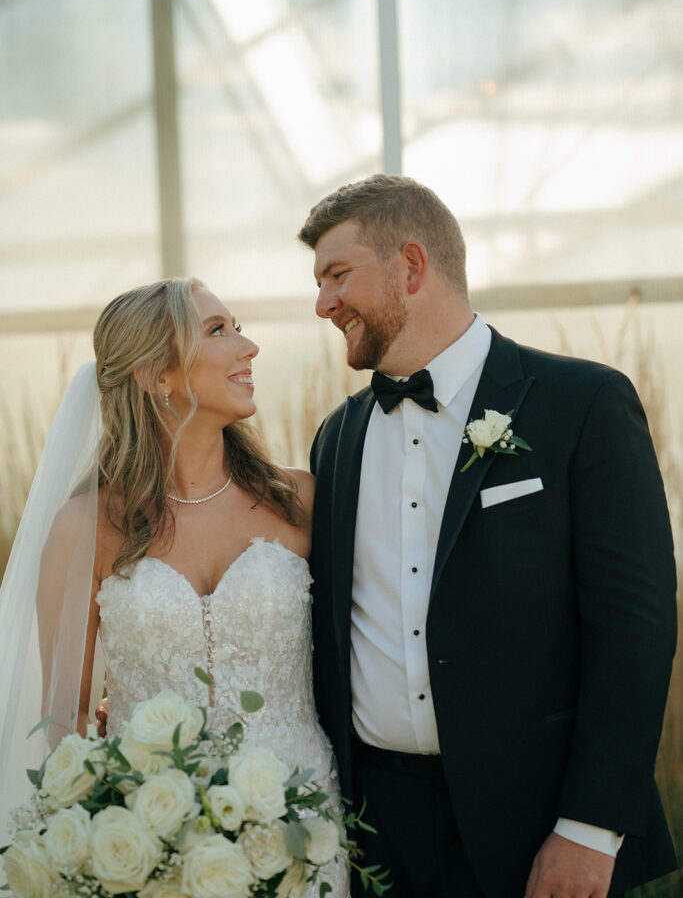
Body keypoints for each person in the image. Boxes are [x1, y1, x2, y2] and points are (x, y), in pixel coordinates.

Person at [298, 174, 678, 898]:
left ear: (411, 266)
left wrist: (589, 827)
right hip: (374, 835)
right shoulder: (335, 439)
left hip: (537, 828)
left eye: (336, 275)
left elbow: (635, 626)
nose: (322, 304)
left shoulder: (582, 403)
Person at [0, 277, 349, 897]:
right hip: (149, 838)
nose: (249, 348)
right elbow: (66, 717)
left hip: (302, 826)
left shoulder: (300, 501)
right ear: (156, 375)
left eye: (237, 327)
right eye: (219, 331)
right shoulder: (85, 526)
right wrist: (111, 829)